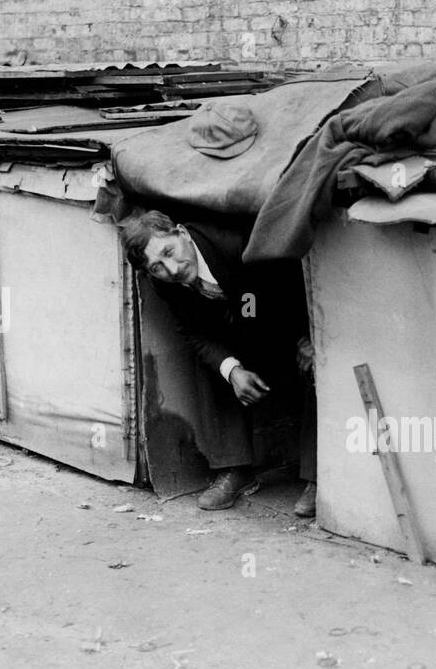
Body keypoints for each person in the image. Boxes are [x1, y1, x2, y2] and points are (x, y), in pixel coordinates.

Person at [121, 209, 316, 516]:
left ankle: (316, 476)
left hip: (289, 319)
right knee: (215, 360)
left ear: (182, 233)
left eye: (169, 252)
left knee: (315, 366)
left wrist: (308, 336)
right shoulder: (165, 282)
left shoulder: (236, 244)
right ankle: (233, 467)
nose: (171, 269)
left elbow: (293, 284)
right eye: (157, 267)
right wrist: (232, 370)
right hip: (249, 329)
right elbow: (195, 332)